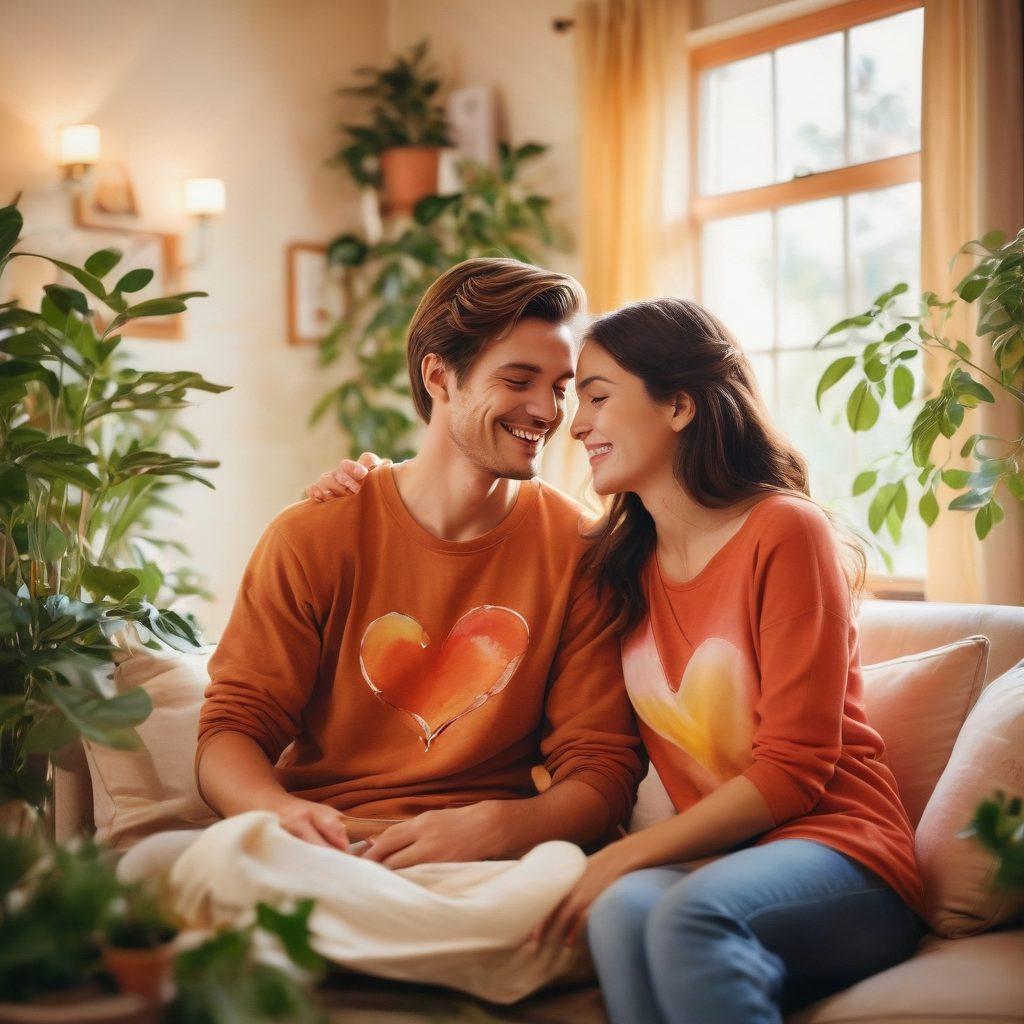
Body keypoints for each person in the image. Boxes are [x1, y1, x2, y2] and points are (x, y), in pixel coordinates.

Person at [314, 296, 925, 1023]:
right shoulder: (616, 564)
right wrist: (365, 485)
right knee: (615, 914)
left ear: (679, 408)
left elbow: (795, 767)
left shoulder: (783, 532)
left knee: (679, 914)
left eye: (595, 396)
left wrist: (623, 853)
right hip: (720, 865)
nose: (573, 422)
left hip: (843, 857)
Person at [197, 257, 644, 867]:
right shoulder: (313, 535)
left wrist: (505, 828)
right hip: (329, 848)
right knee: (158, 869)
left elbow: (601, 768)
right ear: (439, 376)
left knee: (557, 896)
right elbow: (234, 727)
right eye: (518, 381)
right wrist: (279, 814)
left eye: (560, 388)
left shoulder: (581, 552)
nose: (547, 411)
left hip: (491, 861)